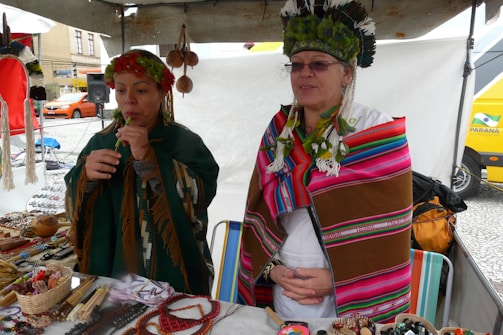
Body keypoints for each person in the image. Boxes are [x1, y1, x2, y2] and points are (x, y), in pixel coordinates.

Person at [237, 0, 413, 323]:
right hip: (285, 302)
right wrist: (274, 271)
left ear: (346, 72)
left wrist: (334, 283)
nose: (304, 73)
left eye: (318, 64)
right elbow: (259, 214)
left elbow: (389, 237)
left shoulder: (376, 131)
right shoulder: (279, 132)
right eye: (296, 64)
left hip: (351, 310)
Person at [65, 49, 219, 296]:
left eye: (141, 90)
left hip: (173, 278)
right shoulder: (100, 143)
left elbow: (200, 197)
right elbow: (73, 208)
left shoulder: (185, 142)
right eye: (121, 90)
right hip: (109, 277)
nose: (129, 100)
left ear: (162, 93)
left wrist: (150, 158)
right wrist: (84, 178)